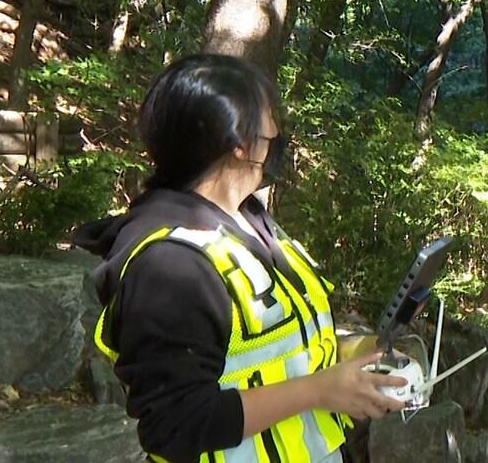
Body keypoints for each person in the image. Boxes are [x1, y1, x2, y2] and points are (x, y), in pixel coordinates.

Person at [74, 54, 405, 463]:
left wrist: (351, 355)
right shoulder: (170, 265)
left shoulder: (248, 219)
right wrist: (320, 390)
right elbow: (174, 424)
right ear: (239, 145)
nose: (277, 138)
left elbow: (265, 349)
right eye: (269, 131)